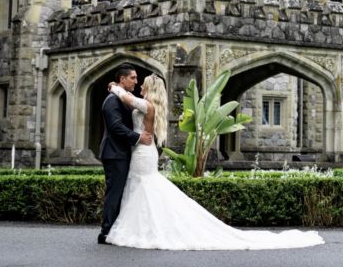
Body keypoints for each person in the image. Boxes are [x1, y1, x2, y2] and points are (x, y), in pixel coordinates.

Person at [104, 74, 325, 250]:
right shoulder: (152, 105)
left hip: (143, 152)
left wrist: (114, 86)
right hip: (143, 151)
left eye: (142, 84)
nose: (139, 86)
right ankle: (143, 227)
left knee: (144, 188)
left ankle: (144, 229)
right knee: (141, 189)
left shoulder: (146, 105)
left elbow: (126, 99)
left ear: (150, 89)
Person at [97, 64, 152, 245]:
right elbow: (116, 127)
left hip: (124, 153)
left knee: (122, 193)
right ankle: (106, 233)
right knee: (115, 193)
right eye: (133, 78)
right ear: (122, 79)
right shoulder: (112, 101)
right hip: (114, 153)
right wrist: (138, 137)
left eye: (137, 79)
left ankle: (116, 230)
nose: (136, 82)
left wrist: (114, 86)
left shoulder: (124, 98)